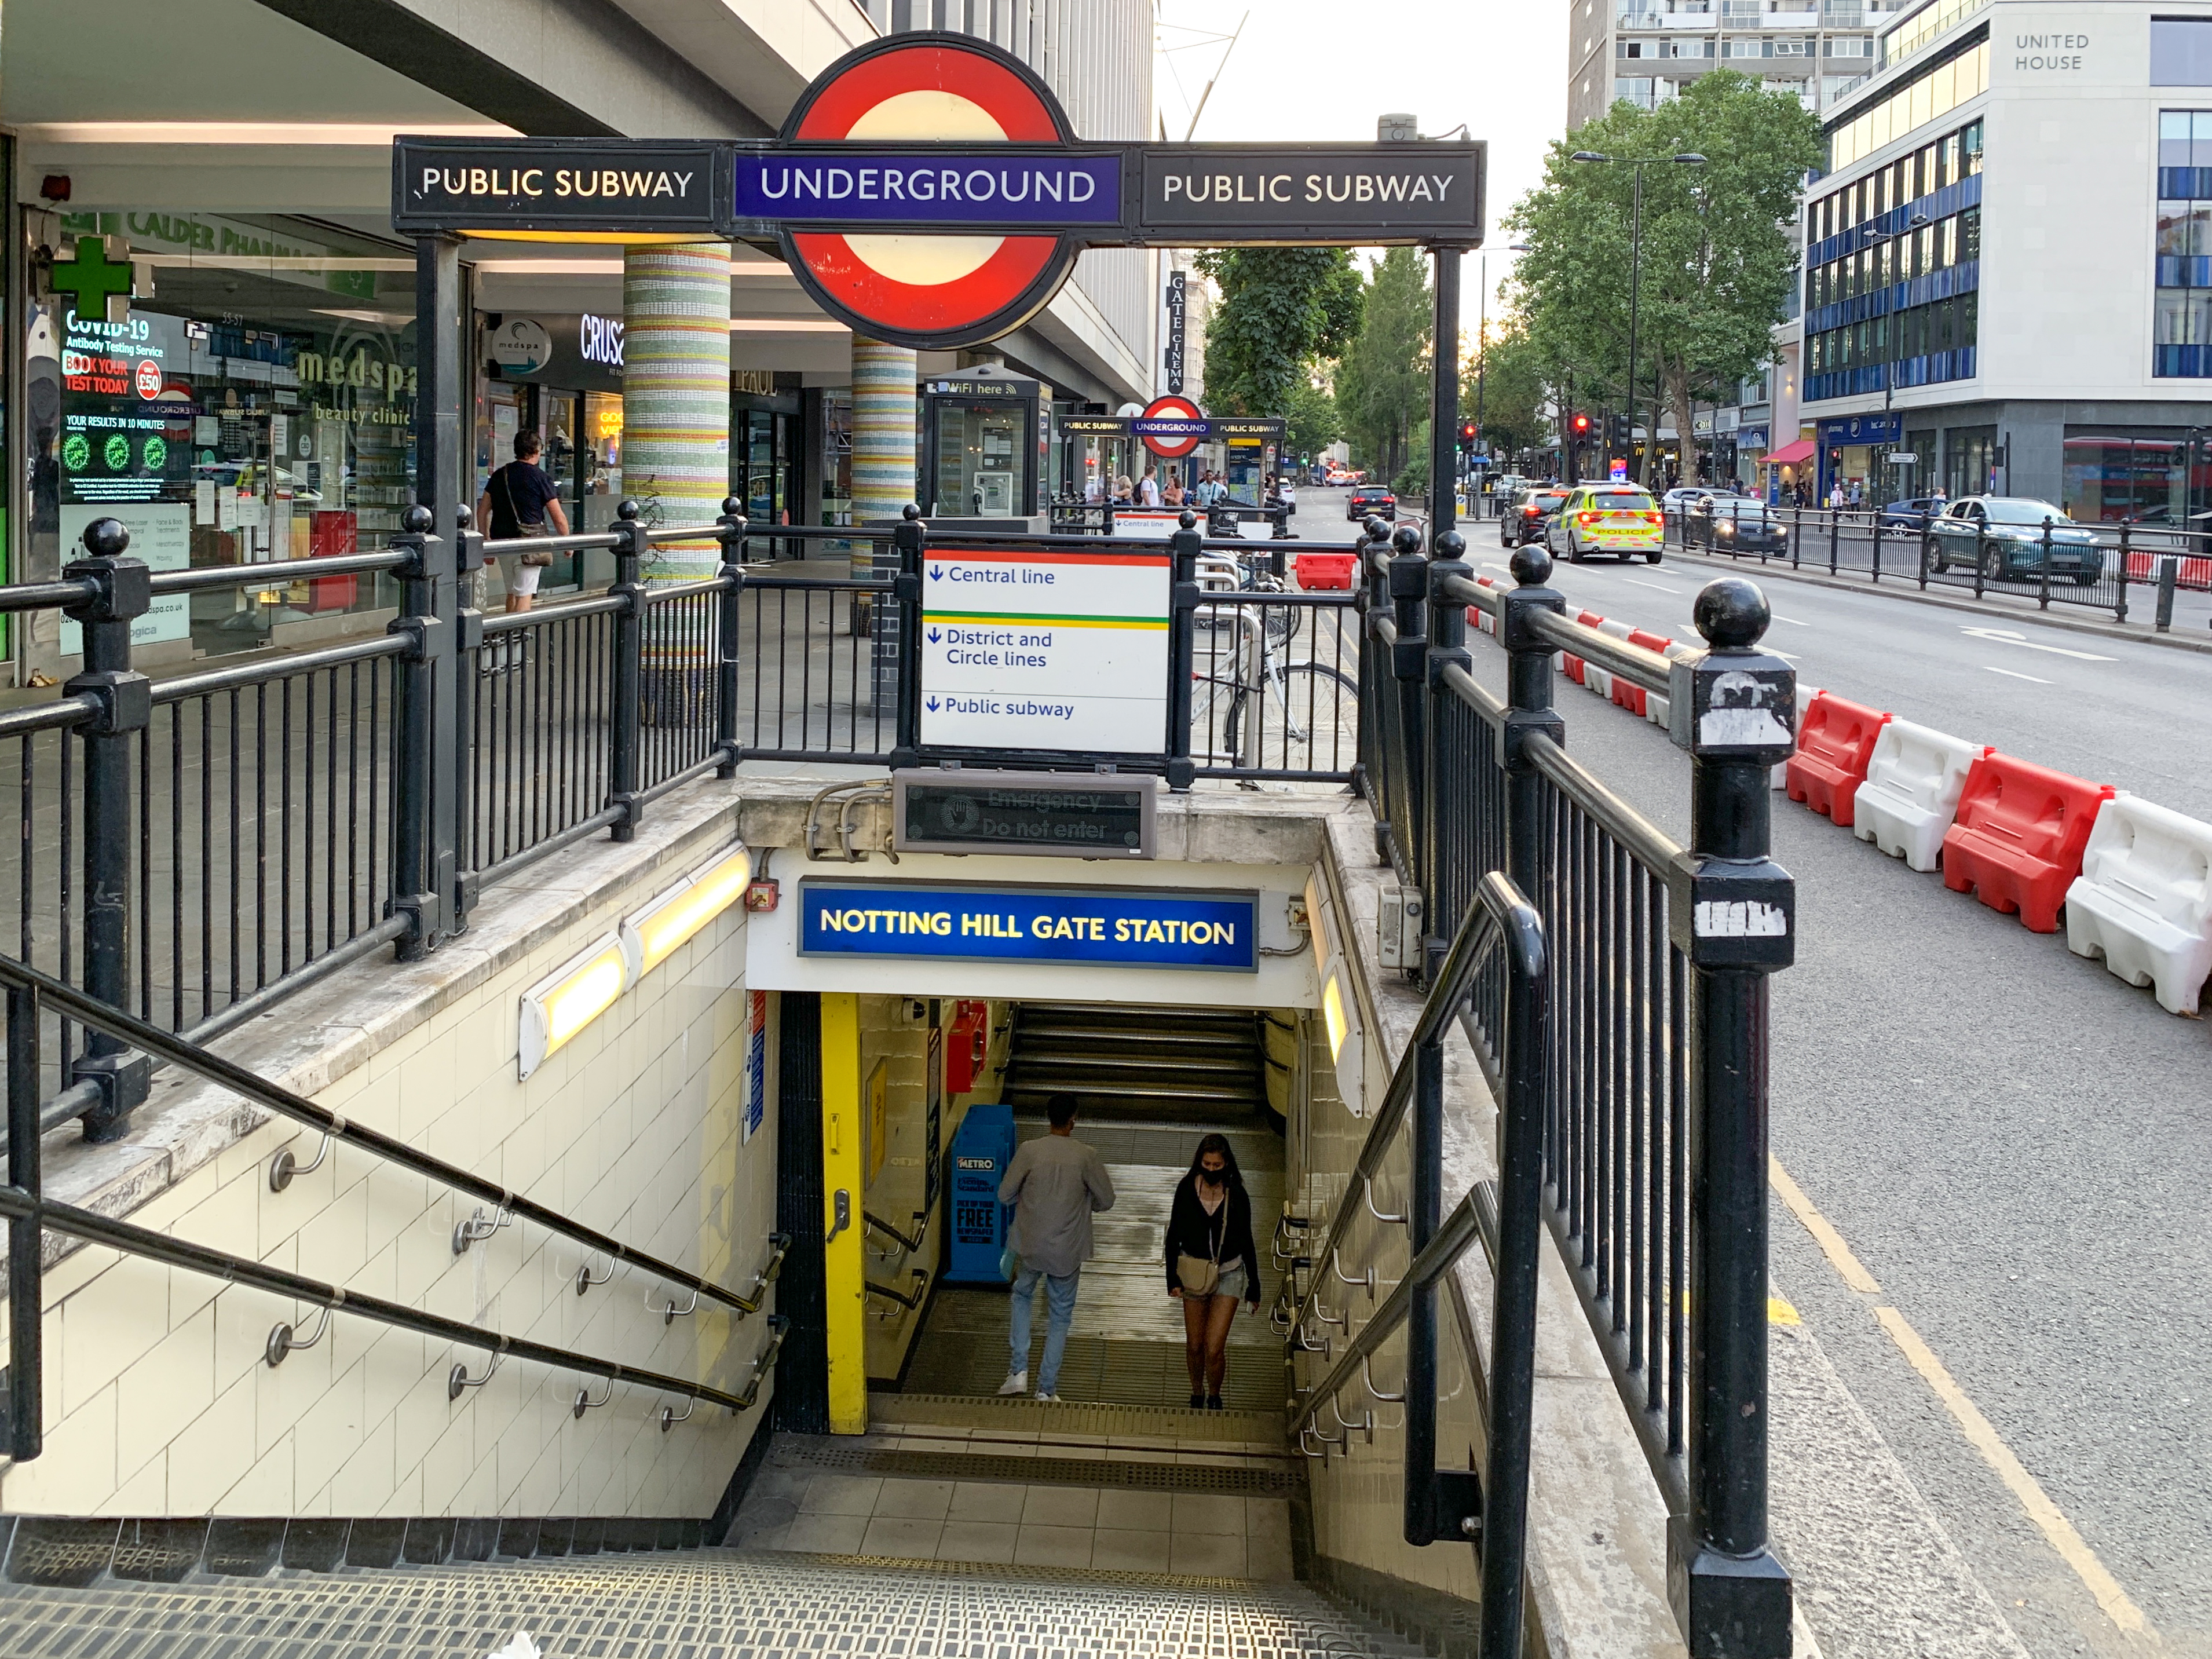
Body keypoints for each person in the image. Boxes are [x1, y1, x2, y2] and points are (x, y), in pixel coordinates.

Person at [997, 1093, 1116, 1402]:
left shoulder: (1029, 1151)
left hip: (1030, 1246)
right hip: (1067, 1250)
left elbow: (1005, 1193)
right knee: (1060, 1316)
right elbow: (1107, 1200)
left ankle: (1017, 1371)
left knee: (1023, 1295)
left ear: (1047, 1116)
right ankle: (1046, 1389)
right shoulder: (1086, 1156)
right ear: (1073, 1119)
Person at [1164, 1132, 1262, 1410]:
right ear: (1200, 1162)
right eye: (1206, 1164)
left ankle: (1215, 1395)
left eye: (1217, 1166)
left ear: (1226, 1164)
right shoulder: (1186, 1189)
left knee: (1214, 1346)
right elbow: (1174, 1235)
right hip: (1193, 1272)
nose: (1211, 1170)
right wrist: (1172, 1277)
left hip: (1229, 1273)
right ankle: (1197, 1392)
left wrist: (1254, 1284)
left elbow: (1247, 1240)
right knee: (1195, 1345)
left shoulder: (1238, 1195)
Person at [476, 430, 569, 614]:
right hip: (530, 544)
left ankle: (509, 639)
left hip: (503, 543)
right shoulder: (541, 478)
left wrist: (487, 542)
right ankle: (518, 640)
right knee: (525, 595)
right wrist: (567, 543)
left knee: (512, 593)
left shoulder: (500, 475)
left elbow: (483, 511)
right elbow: (558, 518)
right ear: (537, 450)